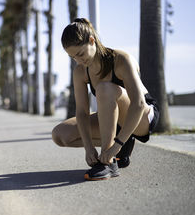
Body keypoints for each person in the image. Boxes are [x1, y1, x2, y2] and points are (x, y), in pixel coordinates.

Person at [52, 18, 160, 181]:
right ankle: (120, 151)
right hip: (116, 119)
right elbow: (82, 112)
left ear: (91, 40)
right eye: (73, 57)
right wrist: (88, 148)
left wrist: (116, 146)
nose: (79, 61)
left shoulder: (121, 59)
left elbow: (138, 104)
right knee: (60, 135)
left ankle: (108, 162)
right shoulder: (81, 71)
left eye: (81, 54)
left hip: (142, 116)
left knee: (104, 88)